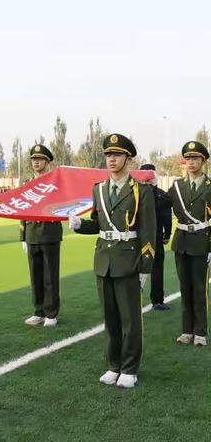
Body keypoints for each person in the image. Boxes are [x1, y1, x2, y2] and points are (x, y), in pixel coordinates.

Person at [69, 133, 156, 388]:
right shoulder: (99, 189)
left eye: (117, 155)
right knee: (110, 318)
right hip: (104, 260)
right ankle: (113, 364)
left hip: (129, 260)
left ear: (127, 158)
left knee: (130, 319)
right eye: (108, 155)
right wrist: (80, 225)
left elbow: (148, 230)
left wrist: (145, 267)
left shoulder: (141, 191)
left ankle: (129, 368)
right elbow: (98, 224)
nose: (111, 159)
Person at [167, 140, 211, 347]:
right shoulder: (177, 186)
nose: (191, 162)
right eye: (188, 158)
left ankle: (200, 331)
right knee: (185, 288)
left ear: (203, 161)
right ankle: (187, 330)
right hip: (181, 241)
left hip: (202, 242)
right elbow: (161, 202)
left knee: (199, 288)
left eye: (195, 158)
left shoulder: (209, 186)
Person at [20, 144, 63, 327]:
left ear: (47, 161)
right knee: (35, 276)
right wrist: (23, 236)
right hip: (31, 233)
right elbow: (21, 209)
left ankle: (51, 313)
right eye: (33, 159)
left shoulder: (55, 183)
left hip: (49, 233)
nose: (36, 162)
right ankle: (38, 311)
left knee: (49, 276)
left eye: (39, 159)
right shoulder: (27, 184)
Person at [139, 164, 172, 310]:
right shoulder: (162, 195)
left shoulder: (134, 193)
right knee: (157, 268)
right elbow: (167, 218)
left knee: (135, 269)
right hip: (156, 237)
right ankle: (157, 301)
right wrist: (167, 234)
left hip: (137, 237)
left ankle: (131, 300)